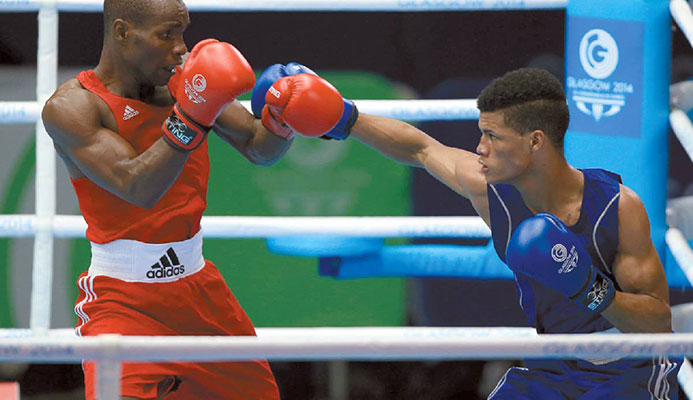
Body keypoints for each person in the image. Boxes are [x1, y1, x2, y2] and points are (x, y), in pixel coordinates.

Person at [253, 65, 682, 398]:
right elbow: (422, 148)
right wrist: (344, 116)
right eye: (481, 133)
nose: (480, 148)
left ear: (535, 142)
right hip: (555, 365)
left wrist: (589, 288)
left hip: (632, 365)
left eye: (492, 136)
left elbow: (658, 323)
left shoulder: (616, 206)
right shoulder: (491, 190)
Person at [40, 0, 344, 398]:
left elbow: (258, 149)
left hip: (199, 291)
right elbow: (136, 186)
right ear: (122, 32)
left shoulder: (186, 83)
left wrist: (281, 118)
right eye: (166, 34)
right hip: (123, 301)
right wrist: (193, 113)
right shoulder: (73, 107)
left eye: (182, 32)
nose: (181, 48)